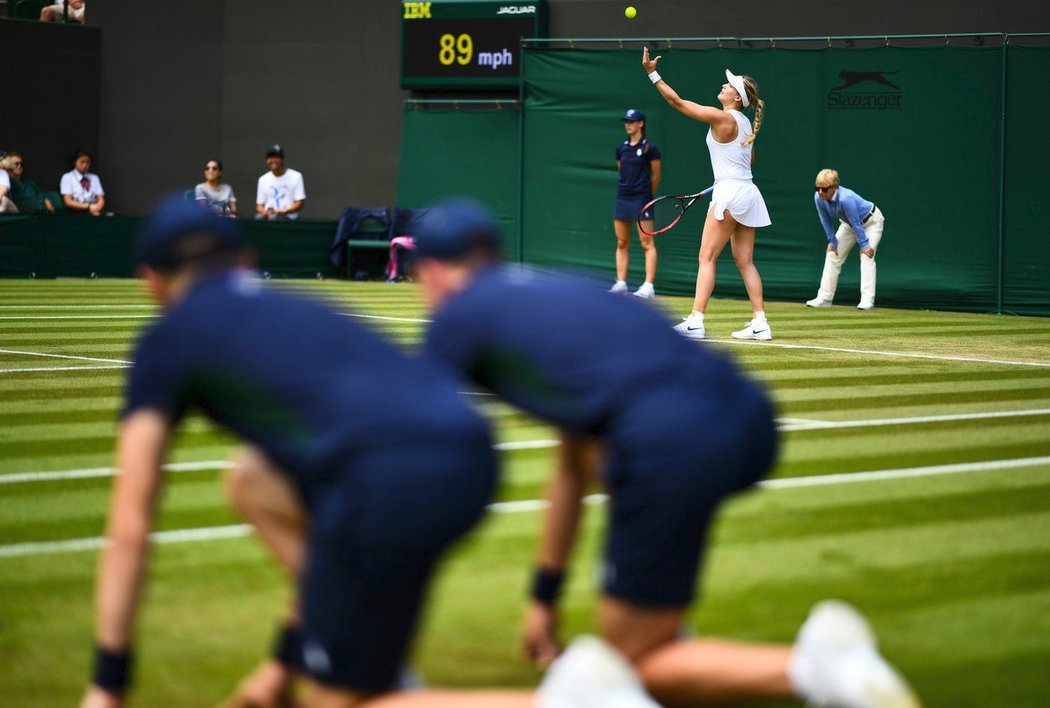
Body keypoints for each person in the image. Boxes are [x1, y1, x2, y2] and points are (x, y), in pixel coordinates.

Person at [79, 196, 657, 708]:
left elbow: (131, 523)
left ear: (150, 281)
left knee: (340, 701)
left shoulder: (166, 341)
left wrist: (109, 682)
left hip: (393, 476)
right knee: (252, 479)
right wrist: (283, 664)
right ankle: (354, 647)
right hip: (469, 453)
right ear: (244, 262)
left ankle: (574, 701)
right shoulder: (295, 305)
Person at [413, 198, 921, 708]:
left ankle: (817, 669)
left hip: (666, 439)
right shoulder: (559, 289)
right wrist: (545, 597)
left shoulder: (459, 316)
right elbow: (573, 466)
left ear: (431, 270)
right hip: (746, 415)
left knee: (627, 666)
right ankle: (661, 617)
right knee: (613, 472)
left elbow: (405, 440)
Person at [641, 48, 773, 341]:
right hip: (748, 192)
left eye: (729, 86)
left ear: (737, 97)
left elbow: (676, 102)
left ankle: (696, 321)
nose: (723, 86)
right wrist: (724, 179)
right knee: (745, 261)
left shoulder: (722, 118)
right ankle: (760, 322)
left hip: (729, 193)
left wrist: (652, 72)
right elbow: (747, 163)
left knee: (707, 257)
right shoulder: (746, 124)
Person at [806, 168, 885, 310]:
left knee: (866, 256)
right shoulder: (818, 197)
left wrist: (864, 245)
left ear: (834, 187)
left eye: (824, 189)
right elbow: (825, 220)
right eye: (817, 188)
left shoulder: (845, 198)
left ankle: (867, 300)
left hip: (871, 222)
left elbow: (857, 222)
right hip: (848, 226)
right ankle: (824, 298)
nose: (820, 192)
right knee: (832, 253)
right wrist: (832, 241)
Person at [610, 108, 662, 299]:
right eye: (626, 121)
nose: (628, 124)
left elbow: (656, 176)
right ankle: (621, 283)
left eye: (631, 121)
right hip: (623, 197)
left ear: (641, 123)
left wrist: (646, 194)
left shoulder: (650, 147)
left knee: (646, 242)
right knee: (622, 242)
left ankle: (648, 286)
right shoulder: (621, 148)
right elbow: (622, 171)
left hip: (643, 199)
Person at [256, 144, 305, 220]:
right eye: (271, 158)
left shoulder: (296, 176)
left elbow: (300, 202)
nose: (273, 160)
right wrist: (265, 212)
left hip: (288, 217)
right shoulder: (263, 179)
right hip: (268, 216)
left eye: (276, 158)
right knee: (259, 218)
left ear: (282, 159)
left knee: (274, 219)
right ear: (267, 160)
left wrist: (286, 211)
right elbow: (259, 205)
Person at [60, 149, 106, 215]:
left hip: (94, 211)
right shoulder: (67, 177)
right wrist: (88, 207)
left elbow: (101, 199)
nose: (85, 165)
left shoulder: (94, 178)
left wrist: (97, 208)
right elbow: (68, 201)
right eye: (82, 162)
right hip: (76, 212)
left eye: (88, 163)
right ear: (75, 162)